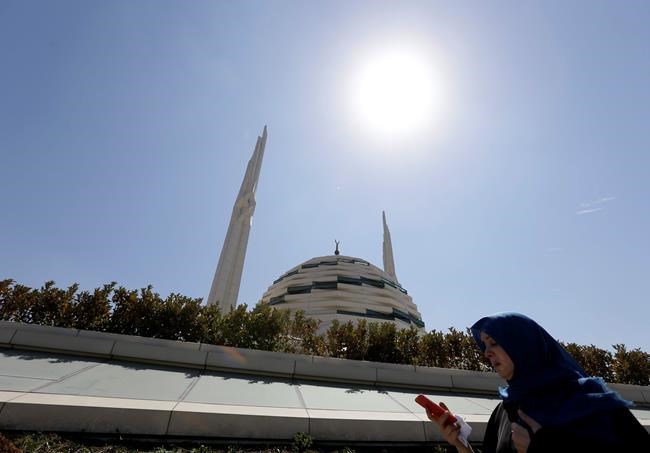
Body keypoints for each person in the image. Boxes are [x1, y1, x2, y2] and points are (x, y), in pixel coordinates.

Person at [426, 312, 649, 453]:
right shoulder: (505, 410)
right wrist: (461, 445)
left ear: (523, 347)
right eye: (484, 346)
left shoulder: (588, 402)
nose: (487, 353)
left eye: (494, 343)